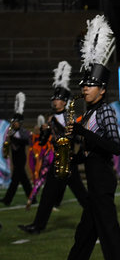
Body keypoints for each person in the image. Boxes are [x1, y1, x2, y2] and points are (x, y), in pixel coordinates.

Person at [39, 15, 120, 260]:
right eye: (84, 84)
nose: (85, 88)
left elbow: (114, 147)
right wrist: (74, 153)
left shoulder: (105, 112)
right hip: (94, 181)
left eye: (91, 85)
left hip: (102, 184)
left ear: (103, 89)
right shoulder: (91, 113)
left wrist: (81, 132)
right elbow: (95, 150)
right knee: (83, 238)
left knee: (110, 240)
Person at [19, 63, 87, 233]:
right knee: (48, 196)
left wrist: (53, 124)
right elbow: (43, 142)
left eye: (57, 99)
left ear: (64, 101)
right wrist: (43, 131)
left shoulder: (68, 117)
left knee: (82, 196)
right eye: (53, 99)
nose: (54, 101)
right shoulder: (53, 118)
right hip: (57, 161)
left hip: (68, 161)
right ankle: (37, 225)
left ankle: (99, 219)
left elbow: (74, 136)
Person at [2, 93, 32, 206]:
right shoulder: (12, 132)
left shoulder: (24, 132)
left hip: (21, 159)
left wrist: (13, 139)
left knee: (15, 181)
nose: (14, 123)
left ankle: (7, 199)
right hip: (15, 158)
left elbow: (26, 141)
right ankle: (32, 198)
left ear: (20, 123)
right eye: (13, 121)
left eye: (16, 121)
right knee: (24, 180)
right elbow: (8, 143)